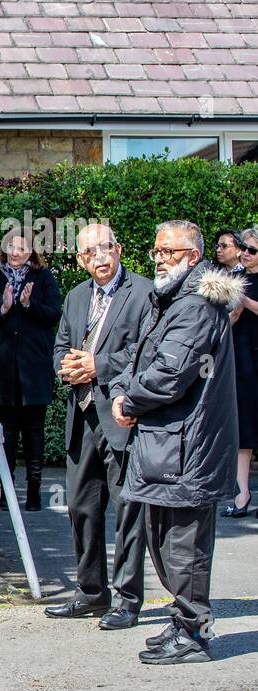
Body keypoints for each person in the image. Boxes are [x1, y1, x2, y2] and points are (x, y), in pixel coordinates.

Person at [111, 220, 245, 664]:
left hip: (190, 444)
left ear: (192, 256)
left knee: (183, 545)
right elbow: (139, 353)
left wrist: (129, 402)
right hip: (166, 441)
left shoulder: (196, 305)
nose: (159, 258)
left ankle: (193, 633)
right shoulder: (168, 299)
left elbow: (171, 372)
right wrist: (121, 391)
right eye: (156, 251)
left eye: (168, 252)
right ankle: (183, 621)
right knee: (162, 538)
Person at [45, 224, 153, 630]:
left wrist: (98, 365)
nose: (99, 258)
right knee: (81, 507)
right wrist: (66, 367)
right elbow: (61, 345)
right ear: (80, 259)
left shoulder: (143, 292)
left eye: (105, 248)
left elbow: (145, 349)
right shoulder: (75, 297)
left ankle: (127, 601)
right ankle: (91, 592)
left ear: (118, 248)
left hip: (122, 416)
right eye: (89, 253)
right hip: (82, 415)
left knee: (128, 511)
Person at [0, 229, 63, 511]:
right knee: (5, 433)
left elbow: (54, 314)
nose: (16, 253)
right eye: (11, 247)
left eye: (22, 247)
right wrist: (2, 311)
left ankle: (34, 493)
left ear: (32, 251)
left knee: (33, 432)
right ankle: (6, 493)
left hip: (34, 368)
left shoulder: (43, 278)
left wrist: (29, 306)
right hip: (2, 368)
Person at [222, 226, 258, 517]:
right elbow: (228, 319)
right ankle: (242, 495)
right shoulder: (237, 278)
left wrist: (244, 301)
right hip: (242, 359)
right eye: (244, 249)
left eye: (251, 250)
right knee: (243, 429)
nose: (245, 254)